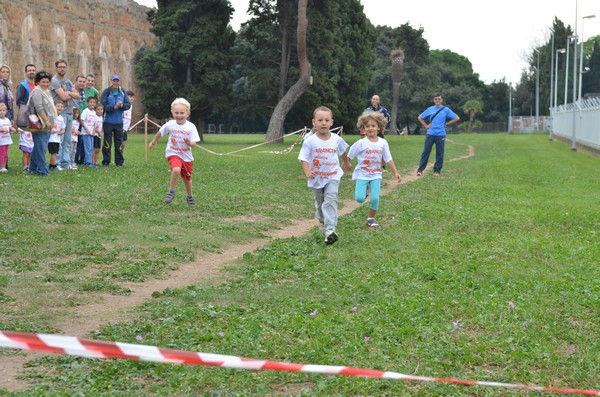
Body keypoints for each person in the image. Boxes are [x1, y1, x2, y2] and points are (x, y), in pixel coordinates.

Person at [298, 106, 352, 245]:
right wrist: (307, 171)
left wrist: (346, 162)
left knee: (330, 199)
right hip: (316, 178)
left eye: (326, 120)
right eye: (320, 120)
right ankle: (322, 220)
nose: (323, 123)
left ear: (331, 122)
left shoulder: (336, 139)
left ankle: (330, 230)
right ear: (314, 122)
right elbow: (303, 158)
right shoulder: (310, 141)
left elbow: (343, 151)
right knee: (320, 203)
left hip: (333, 176)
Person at [348, 112, 402, 228]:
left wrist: (396, 172)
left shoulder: (383, 143)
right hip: (362, 174)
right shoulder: (360, 143)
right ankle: (366, 190)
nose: (370, 128)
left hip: (376, 175)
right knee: (360, 198)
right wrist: (341, 170)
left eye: (373, 126)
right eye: (367, 126)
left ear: (379, 127)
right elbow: (348, 157)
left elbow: (388, 158)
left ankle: (371, 218)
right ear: (363, 128)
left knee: (375, 198)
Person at [149, 98, 200, 207]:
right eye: (176, 113)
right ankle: (171, 191)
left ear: (187, 113)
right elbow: (160, 133)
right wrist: (154, 142)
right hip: (173, 153)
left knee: (187, 179)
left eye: (182, 113)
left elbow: (194, 143)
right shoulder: (170, 124)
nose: (179, 115)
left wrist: (190, 142)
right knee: (176, 170)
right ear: (172, 112)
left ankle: (190, 196)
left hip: (186, 156)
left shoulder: (191, 127)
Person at [416, 93, 460, 177]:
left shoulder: (445, 109)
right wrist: (425, 126)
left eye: (439, 99)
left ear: (442, 100)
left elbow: (456, 118)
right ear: (434, 100)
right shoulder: (430, 109)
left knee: (440, 153)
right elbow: (420, 117)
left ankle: (437, 171)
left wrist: (447, 124)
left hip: (441, 134)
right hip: (430, 133)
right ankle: (420, 170)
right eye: (436, 99)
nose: (437, 101)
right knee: (426, 152)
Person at [50, 59, 79, 170]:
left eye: (64, 67)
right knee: (59, 140)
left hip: (69, 112)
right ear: (56, 68)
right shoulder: (55, 81)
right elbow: (63, 97)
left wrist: (69, 93)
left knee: (67, 140)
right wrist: (70, 94)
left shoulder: (67, 81)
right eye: (60, 67)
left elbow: (77, 95)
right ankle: (56, 163)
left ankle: (65, 164)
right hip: (59, 114)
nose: (62, 68)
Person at [28, 70, 57, 176]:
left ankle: (33, 168)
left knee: (38, 147)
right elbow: (39, 108)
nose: (45, 84)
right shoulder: (37, 92)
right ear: (38, 82)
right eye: (43, 82)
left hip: (45, 125)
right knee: (41, 148)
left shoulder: (46, 92)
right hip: (40, 124)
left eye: (47, 82)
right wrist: (47, 121)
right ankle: (42, 170)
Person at [100, 74, 130, 166]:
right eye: (114, 81)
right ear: (111, 81)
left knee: (119, 143)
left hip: (119, 122)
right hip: (108, 122)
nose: (116, 82)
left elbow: (128, 105)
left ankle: (119, 162)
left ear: (119, 82)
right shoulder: (107, 91)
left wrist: (122, 106)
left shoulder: (122, 92)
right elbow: (103, 105)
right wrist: (114, 107)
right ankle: (106, 161)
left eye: (117, 81)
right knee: (107, 142)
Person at [48, 101, 65, 171]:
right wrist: (50, 130)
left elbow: (63, 128)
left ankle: (51, 165)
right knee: (53, 152)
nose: (60, 108)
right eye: (58, 106)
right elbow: (47, 126)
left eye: (61, 107)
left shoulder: (61, 118)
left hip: (57, 138)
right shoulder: (51, 116)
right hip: (51, 138)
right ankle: (53, 165)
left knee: (55, 153)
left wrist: (61, 132)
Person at [80, 96, 97, 167]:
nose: (92, 104)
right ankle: (88, 162)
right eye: (91, 102)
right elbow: (81, 120)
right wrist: (86, 129)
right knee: (87, 147)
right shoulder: (85, 111)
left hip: (91, 133)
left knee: (91, 148)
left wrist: (93, 131)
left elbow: (94, 123)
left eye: (94, 102)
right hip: (86, 133)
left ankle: (88, 161)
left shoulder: (94, 112)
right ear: (87, 103)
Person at [0, 103, 15, 172]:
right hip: (1, 140)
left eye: (3, 110)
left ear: (6, 111)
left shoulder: (7, 120)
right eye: (0, 110)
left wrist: (13, 129)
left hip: (7, 140)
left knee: (6, 153)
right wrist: (2, 130)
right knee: (2, 153)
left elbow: (10, 127)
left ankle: (4, 166)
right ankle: (2, 167)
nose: (2, 112)